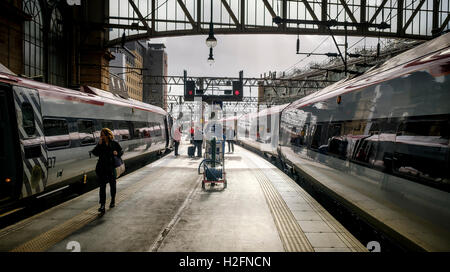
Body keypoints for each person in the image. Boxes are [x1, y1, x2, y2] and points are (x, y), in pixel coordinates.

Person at [91, 128, 123, 214]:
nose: (101, 137)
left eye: (102, 135)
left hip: (111, 168)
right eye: (101, 135)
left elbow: (121, 152)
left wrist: (117, 153)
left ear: (107, 135)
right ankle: (102, 205)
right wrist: (99, 144)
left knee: (113, 185)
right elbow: (95, 153)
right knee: (102, 187)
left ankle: (112, 200)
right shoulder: (101, 144)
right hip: (101, 168)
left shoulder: (114, 143)